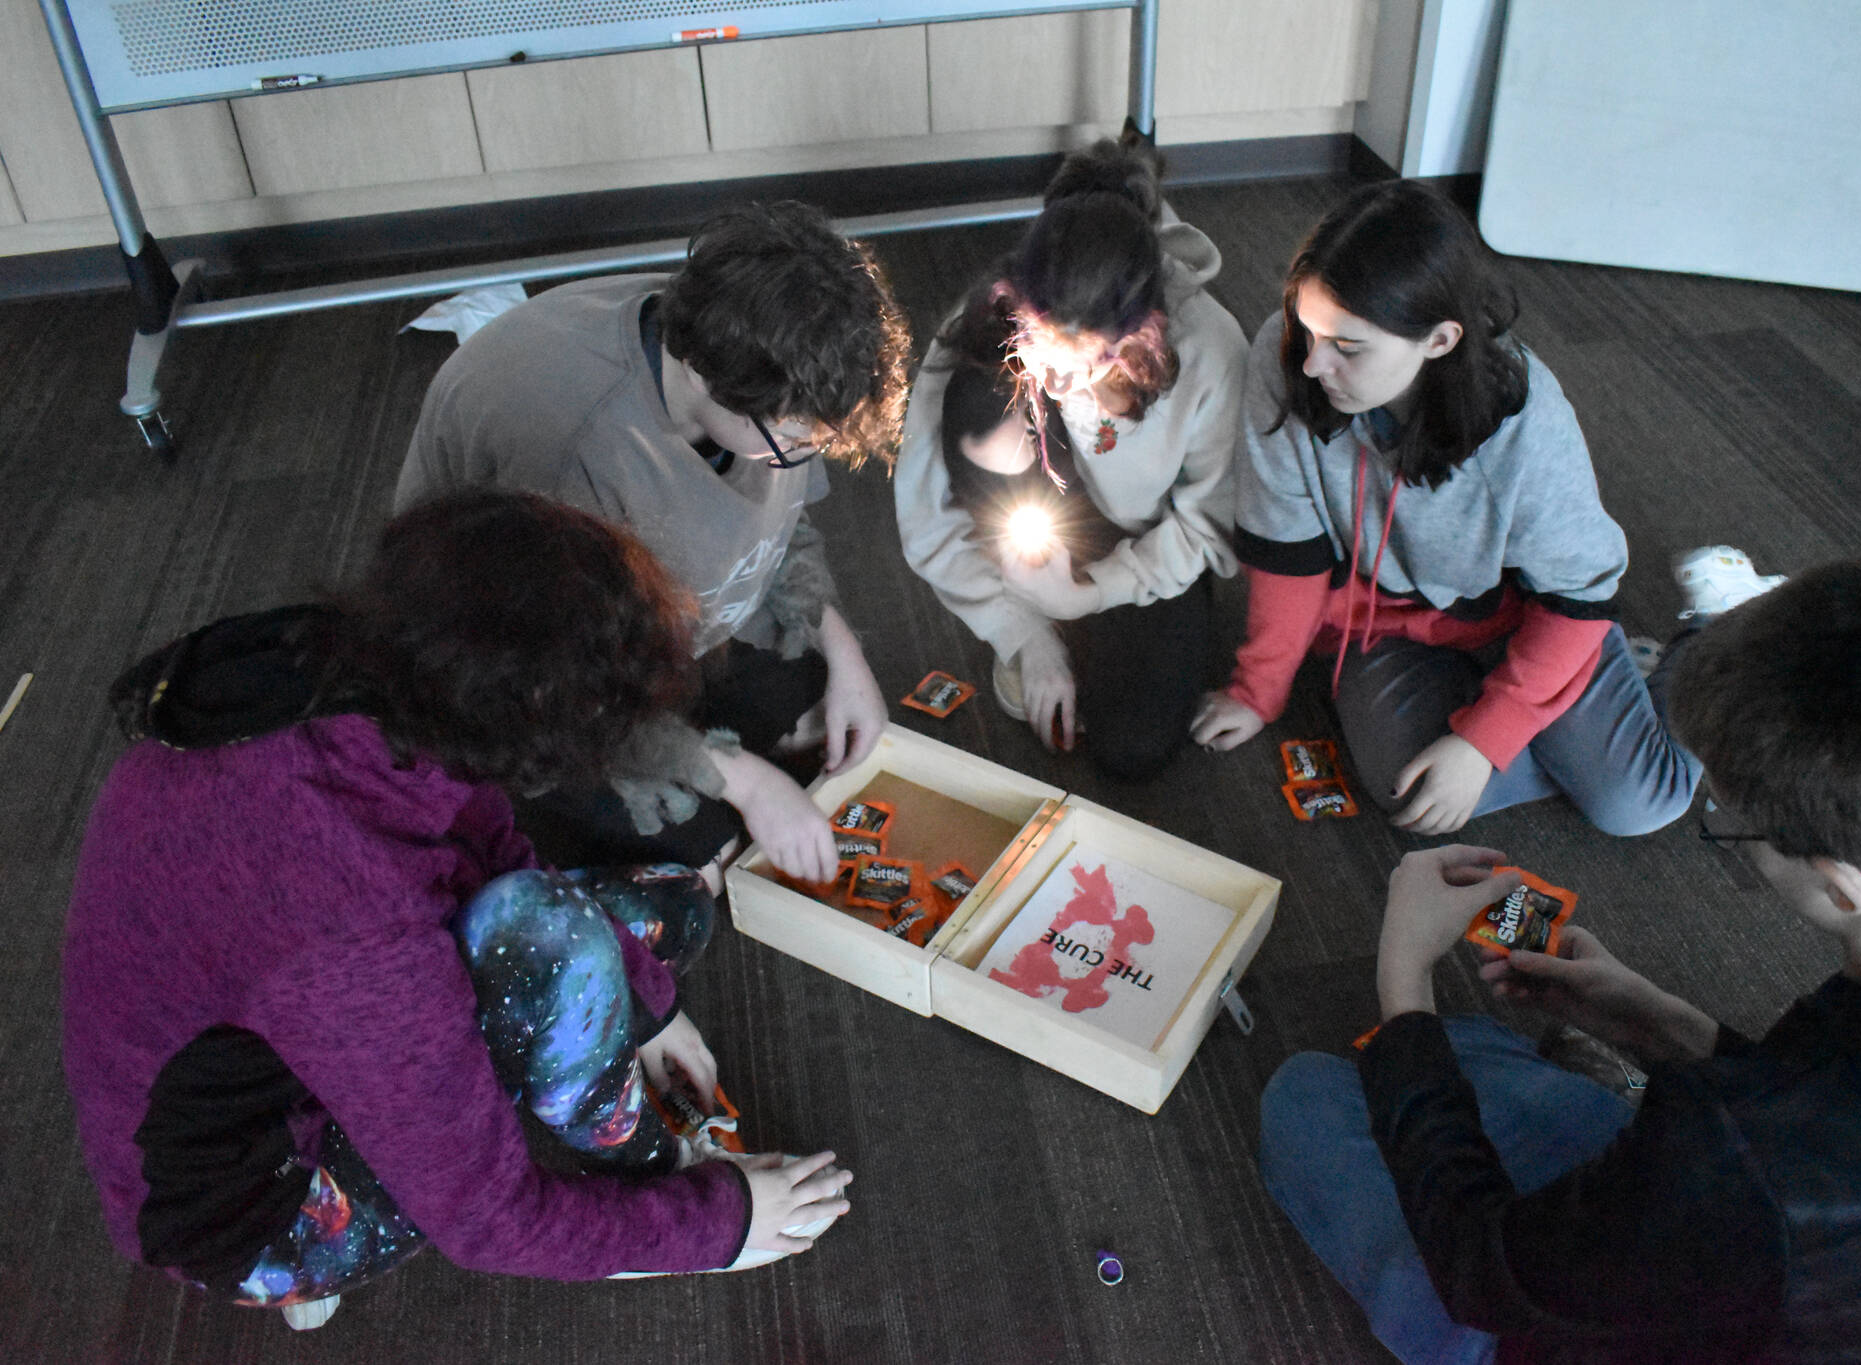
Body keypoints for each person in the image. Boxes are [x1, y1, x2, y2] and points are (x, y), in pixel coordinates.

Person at [63, 491, 853, 1330]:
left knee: (672, 908)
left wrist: (649, 1009)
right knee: (552, 970)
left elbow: (486, 838)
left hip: (283, 1003)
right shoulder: (345, 918)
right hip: (250, 1204)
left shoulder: (362, 667)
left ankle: (553, 1102)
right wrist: (717, 1223)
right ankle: (636, 1174)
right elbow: (490, 1222)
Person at [1259, 557, 1861, 1363]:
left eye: (1735, 827)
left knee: (1304, 1099)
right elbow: (1853, 1126)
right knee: (1454, 1064)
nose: (1730, 833)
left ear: (1847, 884)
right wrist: (1654, 1018)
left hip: (1601, 1315)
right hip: (1782, 1270)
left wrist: (1405, 979)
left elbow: (1483, 1275)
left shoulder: (1731, 1148)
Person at [397, 201, 912, 882]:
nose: (803, 454)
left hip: (661, 627)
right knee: (711, 857)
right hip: (531, 676)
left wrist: (843, 653)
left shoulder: (766, 361)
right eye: (793, 442)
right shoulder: (572, 460)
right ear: (707, 379)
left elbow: (788, 526)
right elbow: (561, 691)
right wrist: (751, 784)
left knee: (822, 725)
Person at [1191, 180, 1697, 836]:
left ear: (1438, 341)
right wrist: (1257, 691)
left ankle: (1705, 648)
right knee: (1410, 793)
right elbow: (1288, 554)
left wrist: (1485, 741)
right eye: (1306, 326)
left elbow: (1574, 599)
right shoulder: (1286, 357)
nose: (1313, 364)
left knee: (1637, 803)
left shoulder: (1527, 424)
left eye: (1347, 346)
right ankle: (1580, 723)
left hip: (1530, 617)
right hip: (1392, 620)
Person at [895, 136, 1244, 780]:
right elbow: (926, 511)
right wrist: (1024, 631)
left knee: (1130, 749)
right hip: (1039, 518)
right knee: (981, 401)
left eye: (1076, 368)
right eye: (1038, 351)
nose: (1051, 388)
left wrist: (1091, 595)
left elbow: (1207, 529)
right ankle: (1037, 605)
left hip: (1142, 545)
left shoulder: (1212, 352)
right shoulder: (989, 316)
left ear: (1143, 339)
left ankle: (1084, 624)